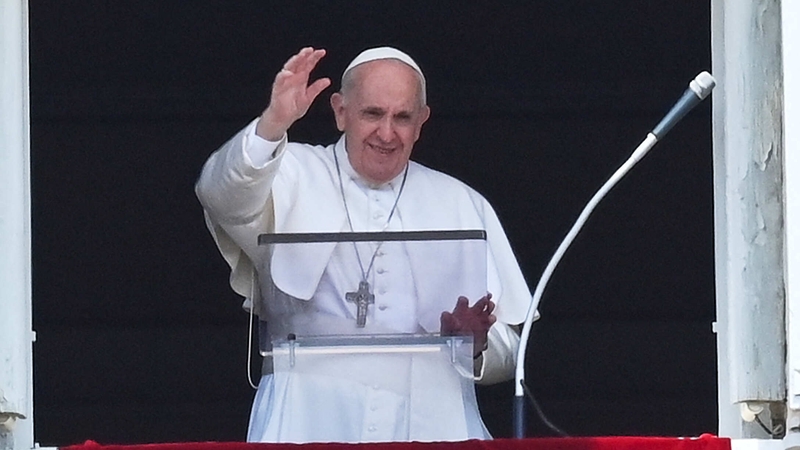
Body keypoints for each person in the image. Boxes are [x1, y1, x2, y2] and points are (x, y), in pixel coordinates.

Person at [196, 46, 532, 443]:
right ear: (340, 112)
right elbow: (219, 194)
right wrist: (272, 124)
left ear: (422, 122)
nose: (387, 133)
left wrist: (473, 345)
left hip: (433, 419)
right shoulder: (291, 173)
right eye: (372, 113)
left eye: (403, 117)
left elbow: (511, 350)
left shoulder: (460, 202)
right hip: (307, 414)